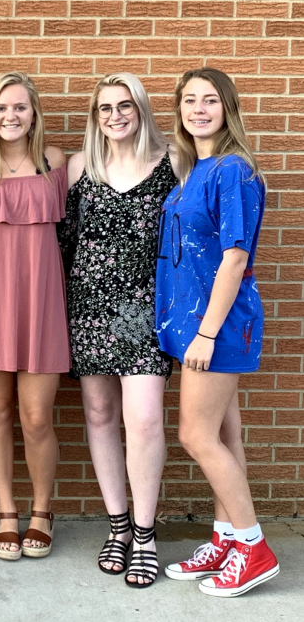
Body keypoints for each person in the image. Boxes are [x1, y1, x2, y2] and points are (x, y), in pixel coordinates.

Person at [157, 67, 278, 597]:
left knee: (195, 435)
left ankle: (253, 548)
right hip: (193, 324)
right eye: (189, 100)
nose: (199, 109)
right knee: (224, 435)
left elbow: (234, 259)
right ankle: (226, 536)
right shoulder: (196, 168)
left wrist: (206, 334)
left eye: (210, 100)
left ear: (227, 108)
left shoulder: (234, 170)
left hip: (219, 325)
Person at [58, 73, 177, 586]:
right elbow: (59, 240)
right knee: (100, 413)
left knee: (145, 419)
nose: (115, 116)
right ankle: (118, 526)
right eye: (105, 108)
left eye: (125, 106)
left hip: (146, 310)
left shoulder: (174, 160)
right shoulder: (81, 166)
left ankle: (146, 535)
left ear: (142, 109)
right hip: (88, 306)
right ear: (95, 116)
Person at [0, 72, 68, 561]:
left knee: (36, 416)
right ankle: (7, 511)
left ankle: (42, 510)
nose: (10, 116)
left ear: (34, 113)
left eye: (20, 107)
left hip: (42, 298)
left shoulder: (55, 161)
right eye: (2, 107)